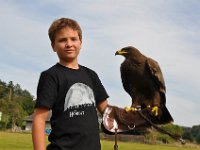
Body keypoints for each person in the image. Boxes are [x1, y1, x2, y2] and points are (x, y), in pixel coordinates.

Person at [32, 18, 108, 150]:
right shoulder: (51, 76)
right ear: (53, 46)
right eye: (62, 40)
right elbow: (39, 119)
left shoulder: (91, 75)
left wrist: (133, 115)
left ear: (81, 42)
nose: (69, 44)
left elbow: (107, 112)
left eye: (73, 39)